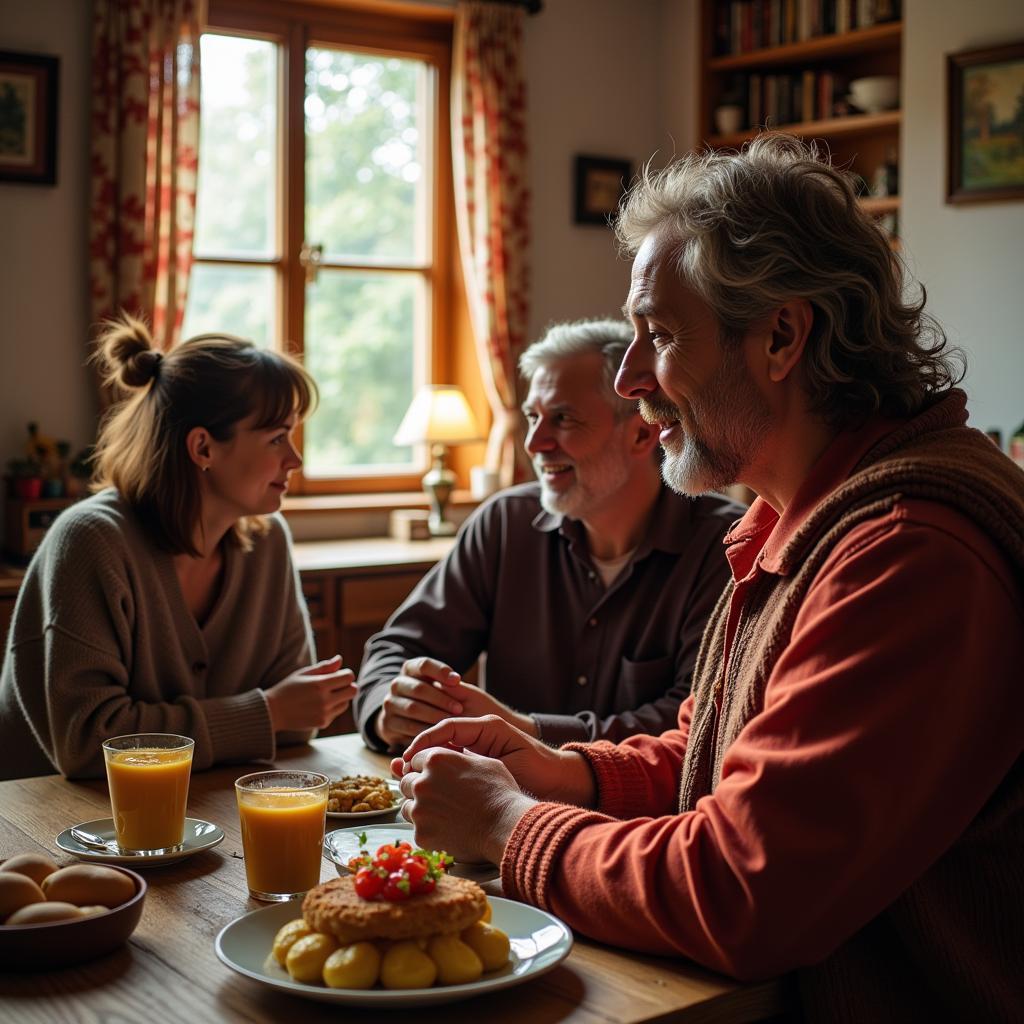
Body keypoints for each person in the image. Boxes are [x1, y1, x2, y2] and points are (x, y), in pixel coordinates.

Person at [391, 135, 1024, 1021]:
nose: (630, 377)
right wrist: (558, 773)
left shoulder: (908, 551)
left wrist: (505, 822)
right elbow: (713, 757)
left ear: (781, 335)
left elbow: (743, 889)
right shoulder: (795, 514)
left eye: (660, 335)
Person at [355, 319, 743, 751]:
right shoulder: (504, 524)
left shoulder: (725, 547)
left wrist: (529, 731)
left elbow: (698, 723)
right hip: (490, 802)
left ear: (641, 433)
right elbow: (400, 646)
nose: (534, 444)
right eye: (532, 417)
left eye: (562, 419)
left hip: (643, 814)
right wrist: (389, 709)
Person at [0, 315, 356, 781]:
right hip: (51, 823)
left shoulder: (268, 543)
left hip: (202, 808)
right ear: (203, 448)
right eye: (276, 438)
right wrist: (264, 713)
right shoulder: (91, 541)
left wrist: (275, 714)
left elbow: (297, 724)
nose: (296, 458)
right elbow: (89, 745)